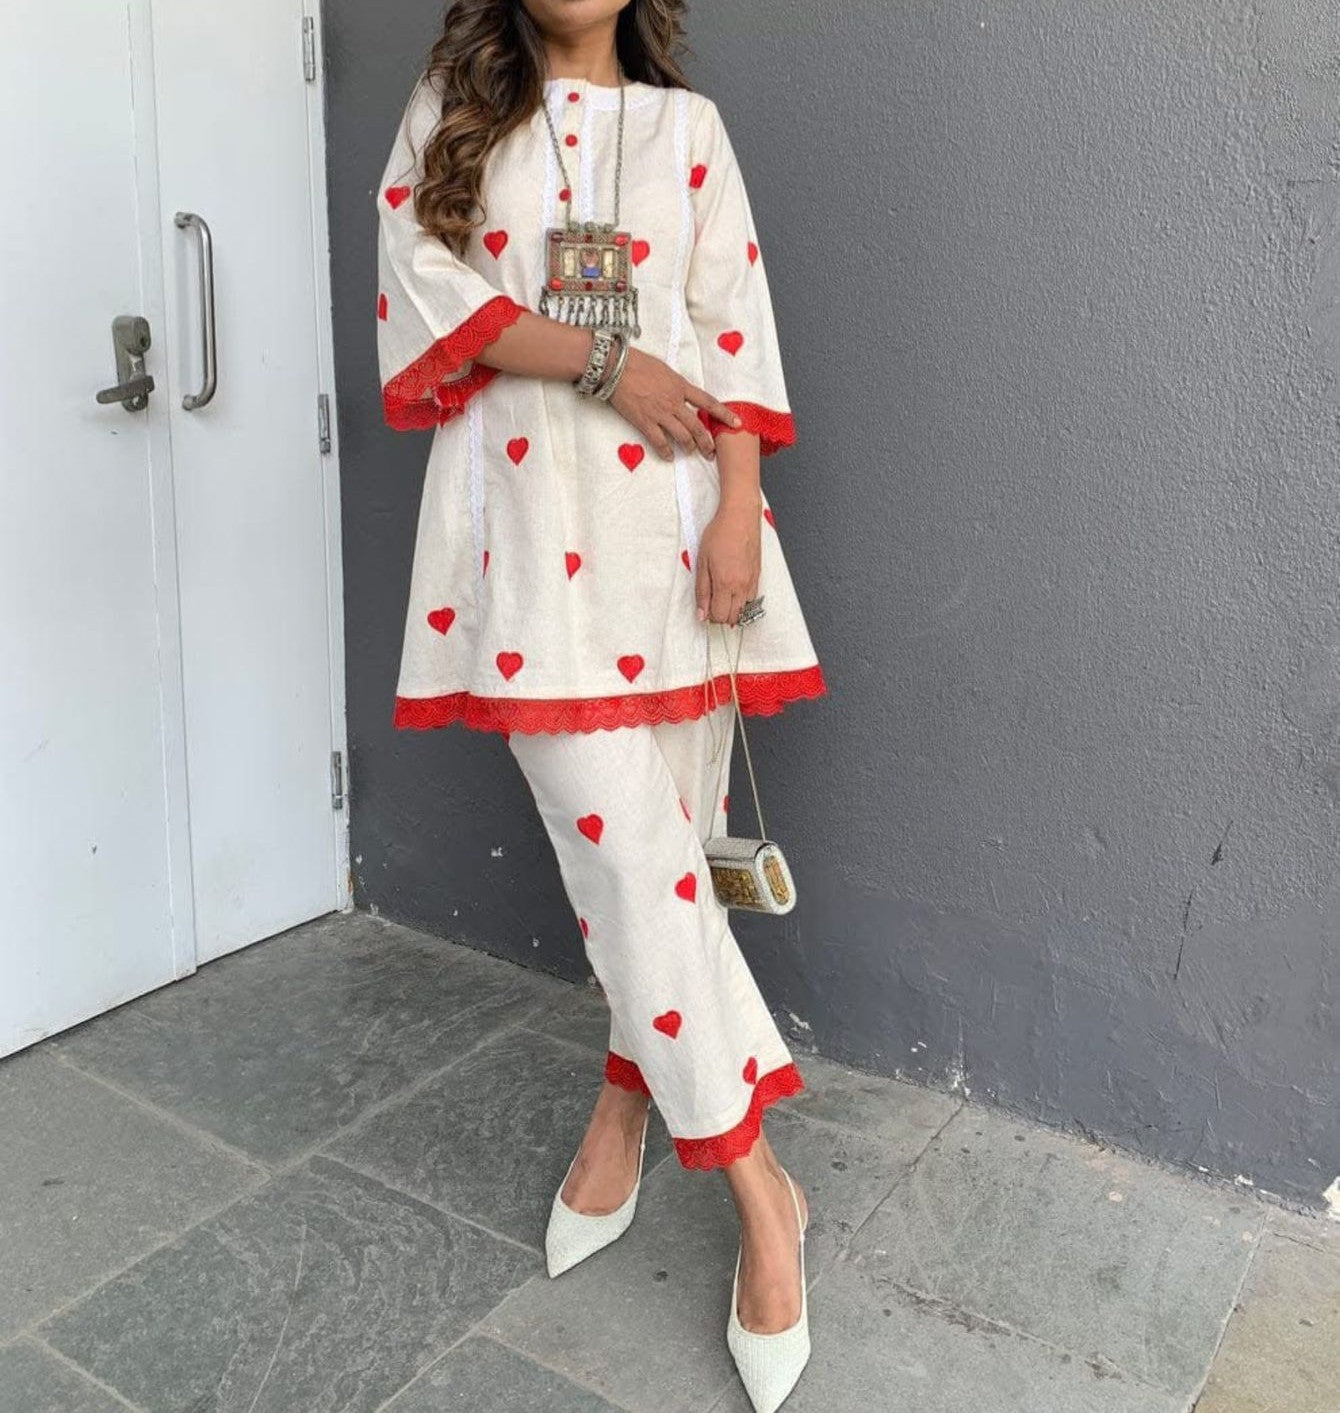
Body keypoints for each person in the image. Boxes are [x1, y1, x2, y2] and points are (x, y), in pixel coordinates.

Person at [375, 2, 827, 1407]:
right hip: (524, 544)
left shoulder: (690, 129)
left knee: (664, 862)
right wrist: (604, 360)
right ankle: (763, 1194)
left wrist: (740, 512)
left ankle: (621, 1110)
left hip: (678, 547)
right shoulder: (457, 109)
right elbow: (420, 283)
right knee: (633, 866)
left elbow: (733, 331)